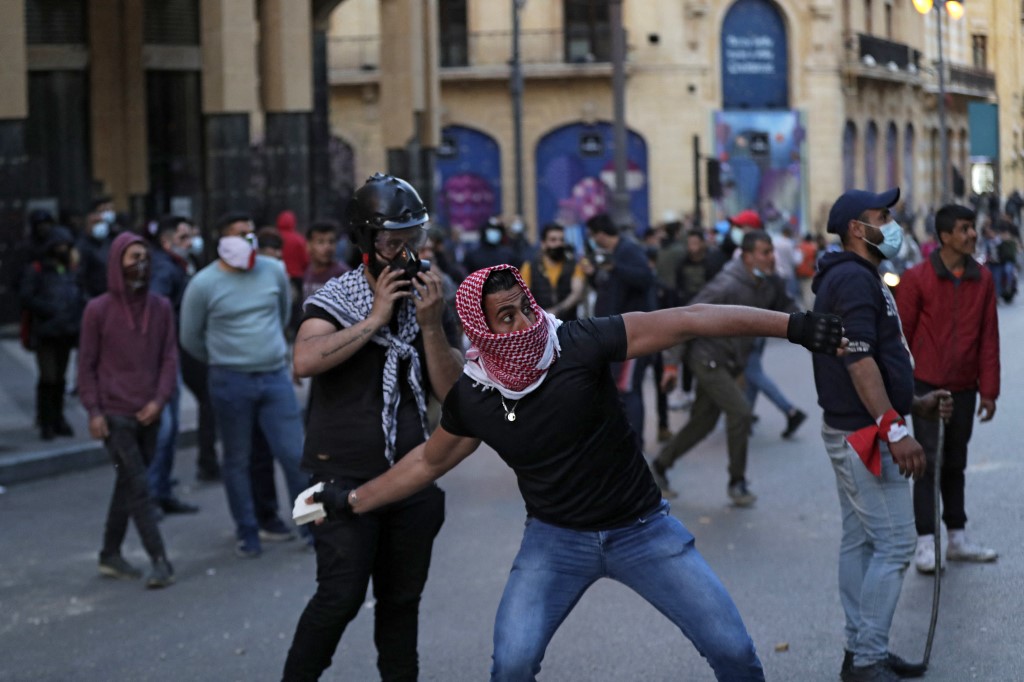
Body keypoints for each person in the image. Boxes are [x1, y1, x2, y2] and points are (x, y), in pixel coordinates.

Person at [305, 263, 846, 682]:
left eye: (524, 307)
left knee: (734, 652)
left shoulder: (577, 344)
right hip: (555, 543)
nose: (523, 323)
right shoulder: (478, 396)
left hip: (643, 531)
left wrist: (795, 326)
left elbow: (688, 320)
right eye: (506, 317)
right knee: (512, 666)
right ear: (480, 328)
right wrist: (349, 501)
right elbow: (427, 461)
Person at [282, 173, 464, 681]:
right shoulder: (334, 298)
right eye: (391, 241)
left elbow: (452, 393)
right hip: (339, 480)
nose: (405, 253)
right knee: (338, 600)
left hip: (410, 479)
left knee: (401, 604)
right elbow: (305, 359)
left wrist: (429, 323)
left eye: (415, 239)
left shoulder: (431, 296)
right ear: (365, 242)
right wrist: (376, 317)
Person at [812, 187, 947, 682]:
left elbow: (875, 361)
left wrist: (913, 402)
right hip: (866, 435)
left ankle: (860, 648)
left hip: (859, 426)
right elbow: (859, 358)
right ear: (856, 228)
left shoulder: (857, 276)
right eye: (881, 216)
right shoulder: (852, 279)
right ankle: (867, 658)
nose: (891, 223)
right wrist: (894, 429)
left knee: (860, 541)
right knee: (893, 544)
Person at [179, 212, 309, 558]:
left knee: (295, 454)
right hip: (229, 380)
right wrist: (227, 356)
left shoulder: (274, 272)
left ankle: (311, 528)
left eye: (250, 233)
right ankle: (247, 531)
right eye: (238, 234)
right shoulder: (203, 284)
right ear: (221, 241)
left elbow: (282, 313)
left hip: (274, 376)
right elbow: (191, 337)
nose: (247, 240)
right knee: (238, 459)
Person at [650, 231, 799, 505]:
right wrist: (671, 365)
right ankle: (737, 483)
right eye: (764, 252)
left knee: (703, 423)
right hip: (707, 359)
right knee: (740, 412)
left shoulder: (768, 284)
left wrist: (815, 327)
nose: (770, 258)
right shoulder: (725, 285)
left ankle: (658, 467)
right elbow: (687, 318)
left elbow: (790, 310)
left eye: (770, 252)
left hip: (729, 362)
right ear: (747, 255)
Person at [894, 204, 1000, 573]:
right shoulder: (917, 278)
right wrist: (903, 390)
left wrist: (989, 389)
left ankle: (956, 536)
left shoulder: (983, 279)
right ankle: (925, 542)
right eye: (964, 228)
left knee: (955, 461)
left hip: (964, 389)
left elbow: (989, 336)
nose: (972, 234)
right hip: (926, 387)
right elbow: (899, 339)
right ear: (944, 237)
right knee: (927, 463)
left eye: (973, 227)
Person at [77, 232, 176, 588]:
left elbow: (169, 358)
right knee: (138, 486)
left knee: (126, 482)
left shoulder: (161, 307)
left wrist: (159, 400)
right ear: (117, 262)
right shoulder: (97, 310)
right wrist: (94, 411)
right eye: (133, 257)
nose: (141, 264)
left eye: (144, 257)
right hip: (115, 417)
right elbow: (85, 366)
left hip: (148, 413)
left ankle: (109, 553)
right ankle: (160, 560)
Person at [581, 213, 656, 438]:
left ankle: (636, 444)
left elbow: (645, 278)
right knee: (619, 389)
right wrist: (593, 275)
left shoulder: (627, 250)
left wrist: (616, 268)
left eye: (593, 236)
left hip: (631, 331)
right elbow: (607, 287)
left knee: (628, 388)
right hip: (614, 331)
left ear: (601, 234)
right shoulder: (610, 255)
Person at [146, 216, 200, 515]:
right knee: (164, 429)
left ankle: (162, 491)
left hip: (170, 355)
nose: (189, 243)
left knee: (170, 428)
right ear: (167, 242)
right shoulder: (164, 269)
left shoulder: (178, 266)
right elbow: (156, 315)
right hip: (162, 359)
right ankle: (152, 494)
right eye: (183, 237)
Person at [18, 226, 85, 440]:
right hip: (46, 332)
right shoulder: (37, 270)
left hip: (65, 332)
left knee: (60, 378)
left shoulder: (70, 271)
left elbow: (77, 295)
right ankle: (46, 420)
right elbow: (26, 298)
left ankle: (58, 418)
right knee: (48, 377)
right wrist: (49, 310)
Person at [519, 222, 586, 321]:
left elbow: (577, 294)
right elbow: (523, 296)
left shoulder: (574, 265)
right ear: (543, 244)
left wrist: (557, 310)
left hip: (569, 323)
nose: (558, 244)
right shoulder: (529, 266)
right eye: (553, 240)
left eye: (561, 240)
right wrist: (540, 314)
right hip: (541, 323)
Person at [77, 197, 118, 301]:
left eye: (101, 223)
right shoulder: (82, 246)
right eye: (95, 223)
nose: (100, 226)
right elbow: (80, 278)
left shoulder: (109, 242)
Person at [301, 220, 349, 300]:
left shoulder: (343, 275)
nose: (327, 247)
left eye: (331, 242)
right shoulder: (308, 271)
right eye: (320, 242)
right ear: (308, 245)